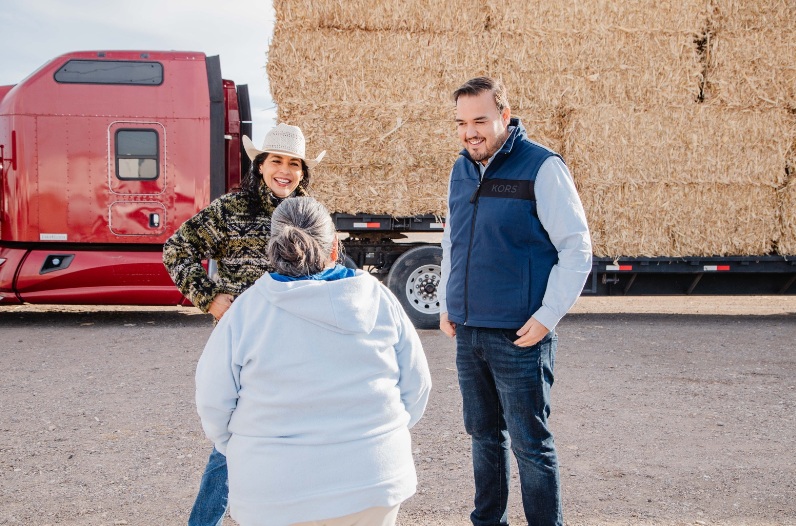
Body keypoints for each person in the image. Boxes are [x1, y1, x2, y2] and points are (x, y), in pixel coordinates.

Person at [194, 196, 432, 526]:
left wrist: (239, 448)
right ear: (335, 247)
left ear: (273, 248)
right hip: (375, 482)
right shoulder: (379, 299)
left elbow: (213, 402)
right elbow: (417, 386)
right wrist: (380, 435)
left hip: (274, 492)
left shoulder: (246, 312)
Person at [438, 77, 592, 526]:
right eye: (462, 123)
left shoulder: (542, 167)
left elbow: (576, 248)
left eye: (480, 121)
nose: (470, 132)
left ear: (504, 117)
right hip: (470, 331)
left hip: (520, 335)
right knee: (483, 436)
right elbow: (454, 239)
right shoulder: (461, 168)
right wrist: (449, 301)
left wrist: (547, 318)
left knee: (530, 443)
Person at [163, 123, 325, 525]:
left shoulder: (310, 214)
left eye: (293, 164)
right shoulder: (230, 210)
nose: (284, 171)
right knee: (233, 440)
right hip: (247, 343)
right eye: (276, 161)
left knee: (301, 439)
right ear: (261, 165)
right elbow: (176, 249)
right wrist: (210, 298)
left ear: (303, 171)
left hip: (301, 343)